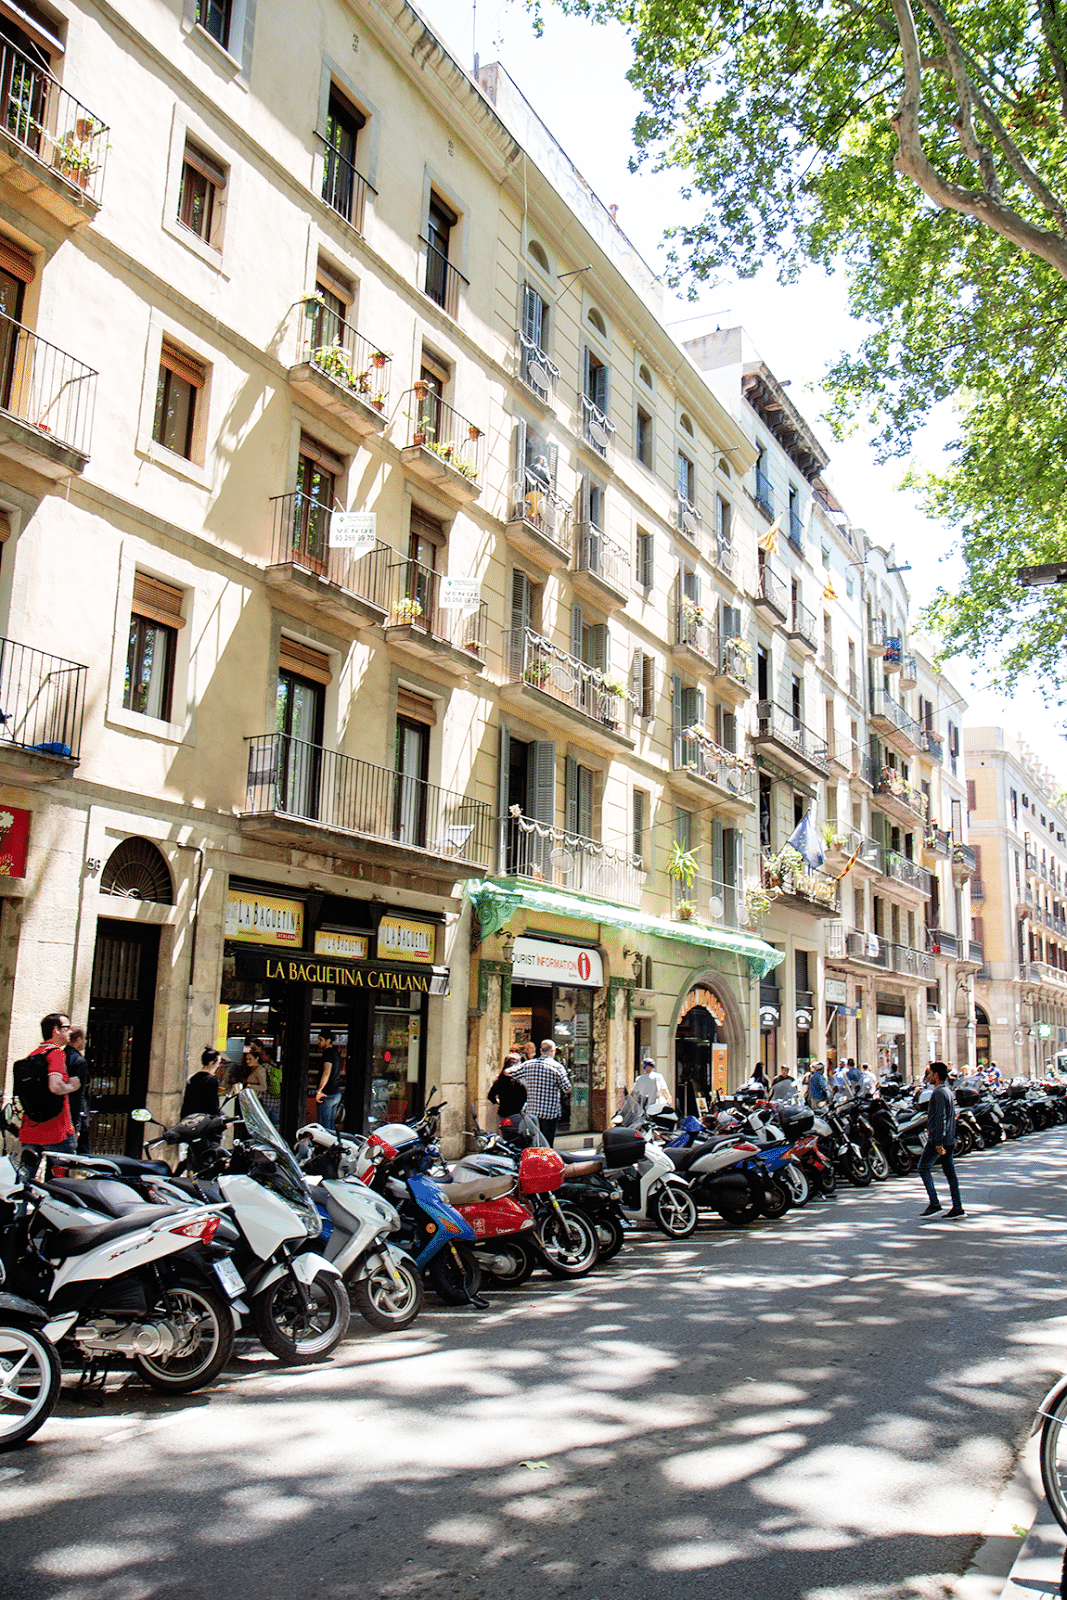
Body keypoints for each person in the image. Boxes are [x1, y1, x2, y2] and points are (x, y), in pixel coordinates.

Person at [18, 1013, 79, 1174]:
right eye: (67, 1028)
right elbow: (55, 1087)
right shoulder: (57, 1054)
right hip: (57, 1131)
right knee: (64, 1180)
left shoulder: (34, 1055)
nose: (70, 1032)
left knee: (25, 1180)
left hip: (31, 1128)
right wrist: (73, 1086)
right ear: (56, 1031)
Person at [919, 1061, 965, 1218]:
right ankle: (957, 1206)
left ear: (936, 1075)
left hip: (939, 1140)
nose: (928, 1076)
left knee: (923, 1167)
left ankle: (934, 1203)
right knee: (950, 1173)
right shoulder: (947, 1091)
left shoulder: (938, 1093)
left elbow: (940, 1118)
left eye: (930, 1073)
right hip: (949, 1139)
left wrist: (938, 1141)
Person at [512, 1038, 571, 1146]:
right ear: (553, 1051)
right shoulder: (557, 1067)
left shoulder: (529, 1064)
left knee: (533, 1142)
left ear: (540, 1051)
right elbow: (567, 1088)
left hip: (532, 1112)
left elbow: (510, 1072)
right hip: (549, 1112)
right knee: (547, 1144)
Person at [65, 1025, 91, 1154]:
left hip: (63, 1115)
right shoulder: (79, 1061)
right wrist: (77, 1125)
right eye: (85, 1038)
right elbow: (79, 1095)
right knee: (83, 1156)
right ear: (79, 1039)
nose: (85, 1042)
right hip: (76, 1117)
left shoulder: (62, 1056)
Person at [181, 1047, 224, 1119]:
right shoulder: (212, 1080)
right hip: (203, 1120)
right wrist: (220, 1118)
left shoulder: (192, 1077)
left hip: (188, 1117)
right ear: (211, 1063)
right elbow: (213, 1104)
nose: (218, 1066)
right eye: (218, 1063)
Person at [314, 1029, 343, 1131]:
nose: (318, 1041)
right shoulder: (336, 1054)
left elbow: (326, 1073)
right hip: (336, 1092)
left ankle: (324, 1146)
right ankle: (333, 1144)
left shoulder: (328, 1054)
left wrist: (319, 1090)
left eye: (320, 1039)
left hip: (327, 1094)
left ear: (328, 1041)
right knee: (331, 1125)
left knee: (323, 1126)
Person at [487, 1053, 528, 1117]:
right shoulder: (520, 1081)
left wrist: (499, 1102)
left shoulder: (498, 1080)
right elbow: (525, 1098)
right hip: (518, 1114)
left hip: (503, 1113)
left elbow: (490, 1096)